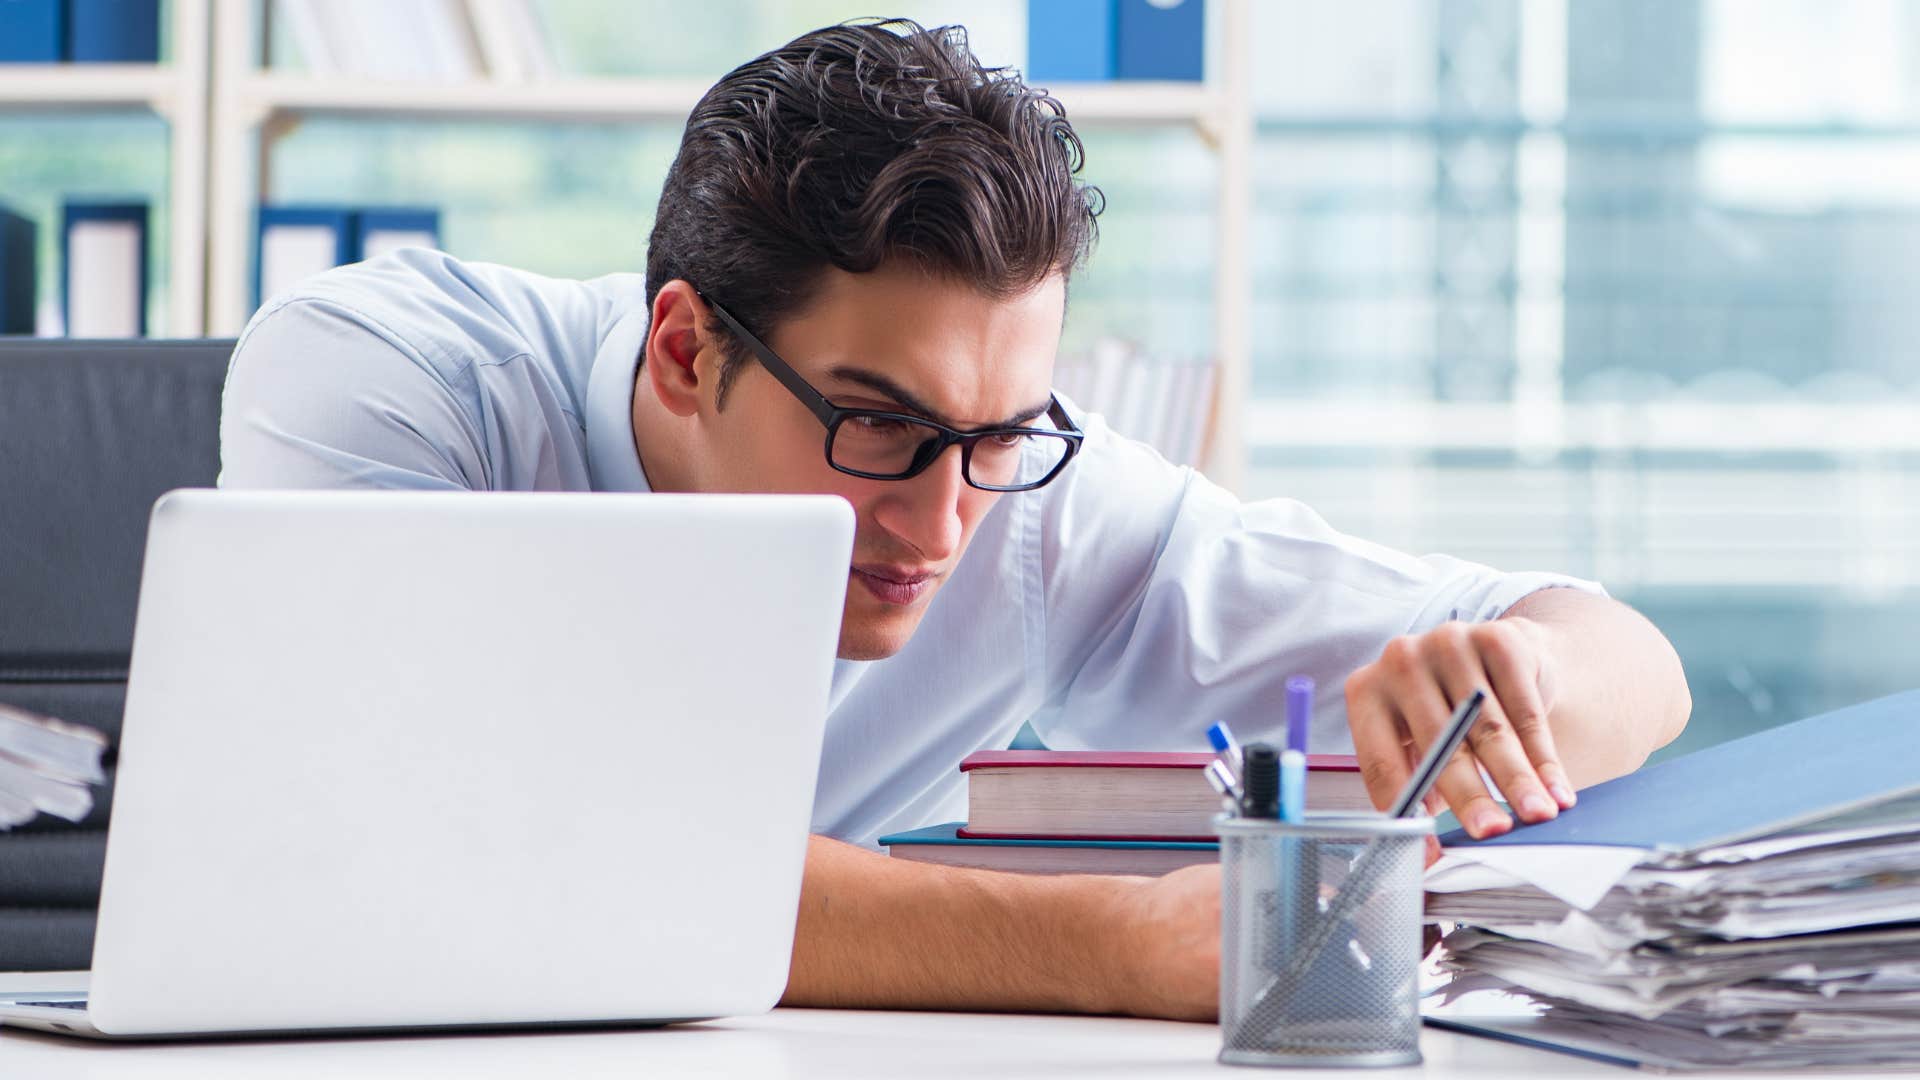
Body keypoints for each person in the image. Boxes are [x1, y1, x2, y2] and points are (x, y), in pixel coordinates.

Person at [219, 20, 1690, 1021]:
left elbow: (1632, 659)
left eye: (996, 434)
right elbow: (461, 844)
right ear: (684, 348)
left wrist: (1522, 681)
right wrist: (1114, 949)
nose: (939, 519)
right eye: (879, 425)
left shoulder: (1022, 496)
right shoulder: (392, 373)